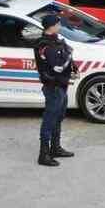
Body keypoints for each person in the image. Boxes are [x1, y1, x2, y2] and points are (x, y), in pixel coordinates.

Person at [32, 13, 74, 167]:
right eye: (58, 23)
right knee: (49, 119)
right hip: (53, 87)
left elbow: (65, 58)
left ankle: (55, 148)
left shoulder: (56, 41)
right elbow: (56, 66)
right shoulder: (44, 45)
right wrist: (68, 56)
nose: (60, 25)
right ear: (52, 26)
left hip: (62, 85)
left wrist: (72, 65)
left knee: (59, 117)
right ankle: (43, 155)